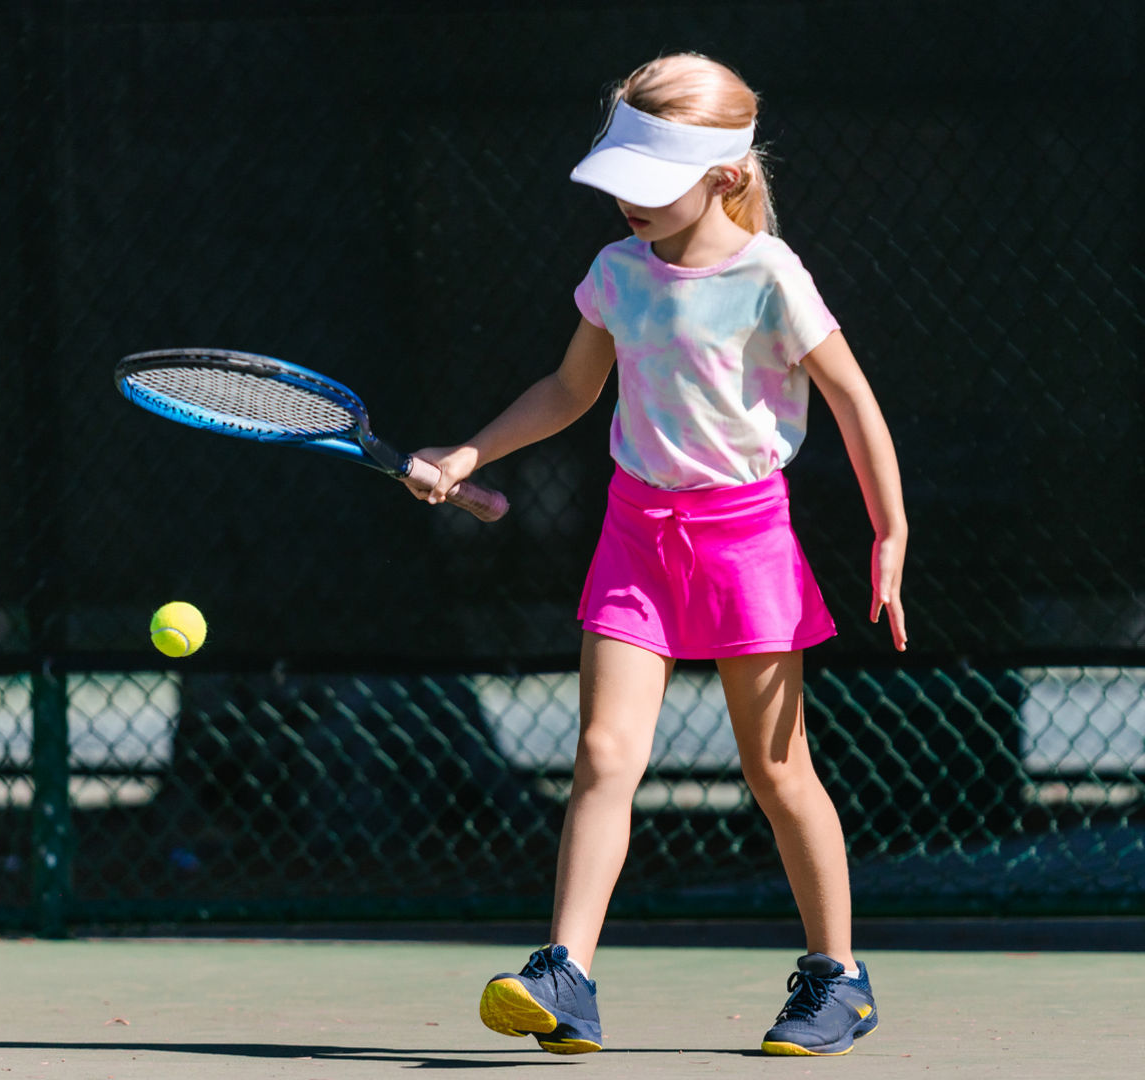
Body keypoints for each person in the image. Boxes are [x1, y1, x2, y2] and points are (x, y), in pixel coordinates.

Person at [407, 52, 908, 1058]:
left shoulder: (770, 275)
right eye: (620, 180)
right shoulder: (615, 276)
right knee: (603, 756)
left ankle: (836, 977)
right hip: (636, 537)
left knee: (777, 769)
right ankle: (567, 974)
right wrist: (468, 451)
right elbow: (569, 390)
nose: (628, 204)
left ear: (724, 175)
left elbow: (852, 398)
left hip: (745, 539)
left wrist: (890, 530)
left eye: (652, 183)